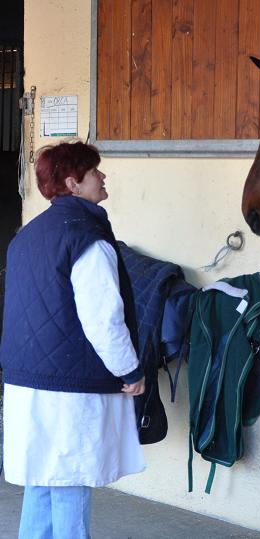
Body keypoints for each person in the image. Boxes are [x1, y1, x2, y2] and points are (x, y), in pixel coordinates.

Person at [0, 141, 146, 538]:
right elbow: (103, 318)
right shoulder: (87, 239)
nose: (102, 176)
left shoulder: (26, 237)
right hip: (69, 389)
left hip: (24, 384)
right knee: (69, 486)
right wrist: (130, 369)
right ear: (72, 183)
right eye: (94, 172)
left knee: (42, 483)